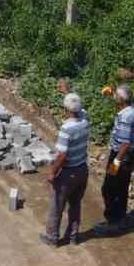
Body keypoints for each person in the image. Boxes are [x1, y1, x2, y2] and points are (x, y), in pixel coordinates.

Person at [42, 93, 90, 246]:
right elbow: (79, 108)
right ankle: (73, 236)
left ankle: (52, 238)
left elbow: (62, 155)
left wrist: (52, 172)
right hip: (82, 169)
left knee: (56, 207)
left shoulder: (66, 128)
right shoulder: (85, 120)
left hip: (68, 174)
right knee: (75, 204)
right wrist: (68, 92)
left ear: (65, 110)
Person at [95, 85, 134, 234]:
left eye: (116, 96)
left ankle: (114, 222)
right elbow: (123, 102)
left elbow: (125, 143)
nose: (114, 97)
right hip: (129, 156)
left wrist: (116, 162)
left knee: (109, 189)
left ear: (121, 100)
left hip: (121, 156)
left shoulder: (125, 117)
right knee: (121, 188)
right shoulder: (133, 109)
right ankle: (120, 219)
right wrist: (112, 94)